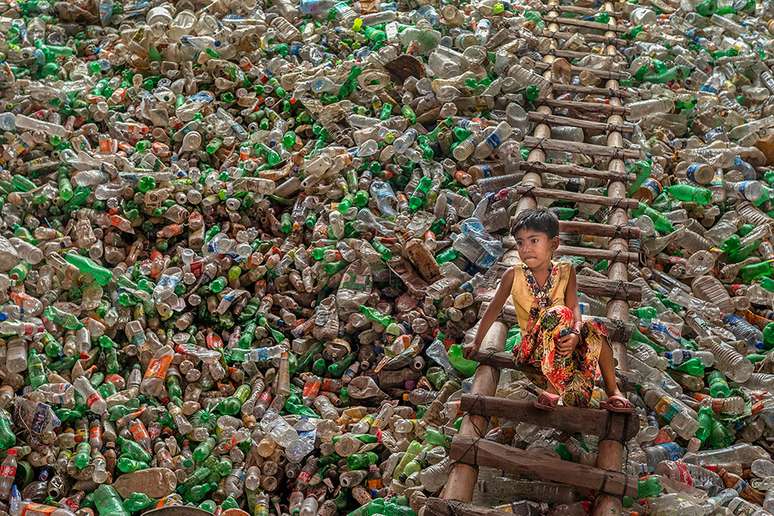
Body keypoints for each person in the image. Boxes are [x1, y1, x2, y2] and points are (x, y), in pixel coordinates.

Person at [464, 208, 633, 412]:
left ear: (554, 244)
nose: (526, 248)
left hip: (565, 351)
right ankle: (552, 389)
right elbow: (493, 310)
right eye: (520, 242)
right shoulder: (513, 275)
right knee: (558, 313)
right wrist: (476, 341)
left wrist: (576, 334)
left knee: (594, 328)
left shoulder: (565, 271)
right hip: (533, 350)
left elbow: (574, 308)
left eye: (534, 240)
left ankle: (613, 391)